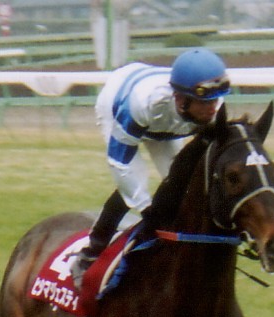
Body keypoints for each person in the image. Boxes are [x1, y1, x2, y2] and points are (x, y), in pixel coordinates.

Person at [71, 48, 231, 288]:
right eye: (204, 101)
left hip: (166, 121)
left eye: (215, 100)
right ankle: (91, 253)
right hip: (117, 104)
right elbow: (120, 161)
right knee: (134, 185)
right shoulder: (142, 103)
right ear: (181, 98)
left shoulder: (212, 109)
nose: (212, 108)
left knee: (182, 185)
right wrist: (146, 208)